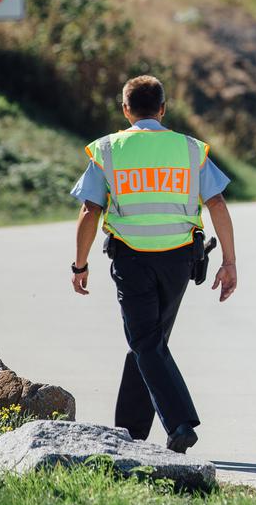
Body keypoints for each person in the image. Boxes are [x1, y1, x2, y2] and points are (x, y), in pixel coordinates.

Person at [68, 75, 238, 453]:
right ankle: (130, 432)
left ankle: (179, 423)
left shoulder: (109, 150)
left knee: (145, 340)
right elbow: (218, 205)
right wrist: (229, 261)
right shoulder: (191, 149)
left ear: (126, 110)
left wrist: (80, 265)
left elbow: (89, 210)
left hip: (131, 257)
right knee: (149, 342)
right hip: (179, 259)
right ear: (163, 109)